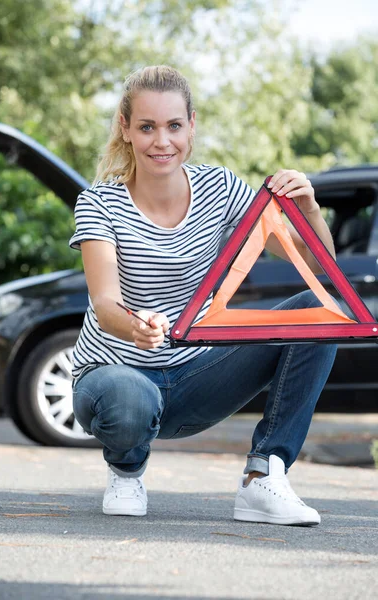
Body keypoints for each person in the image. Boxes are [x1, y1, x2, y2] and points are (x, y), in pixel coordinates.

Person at [69, 65, 337, 526]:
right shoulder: (99, 202)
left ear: (191, 126)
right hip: (116, 377)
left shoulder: (221, 188)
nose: (162, 141)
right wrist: (137, 328)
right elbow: (105, 303)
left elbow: (319, 268)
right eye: (147, 127)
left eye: (174, 126)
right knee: (130, 398)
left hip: (197, 376)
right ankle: (126, 469)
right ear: (126, 129)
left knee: (320, 313)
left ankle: (263, 476)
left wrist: (309, 208)